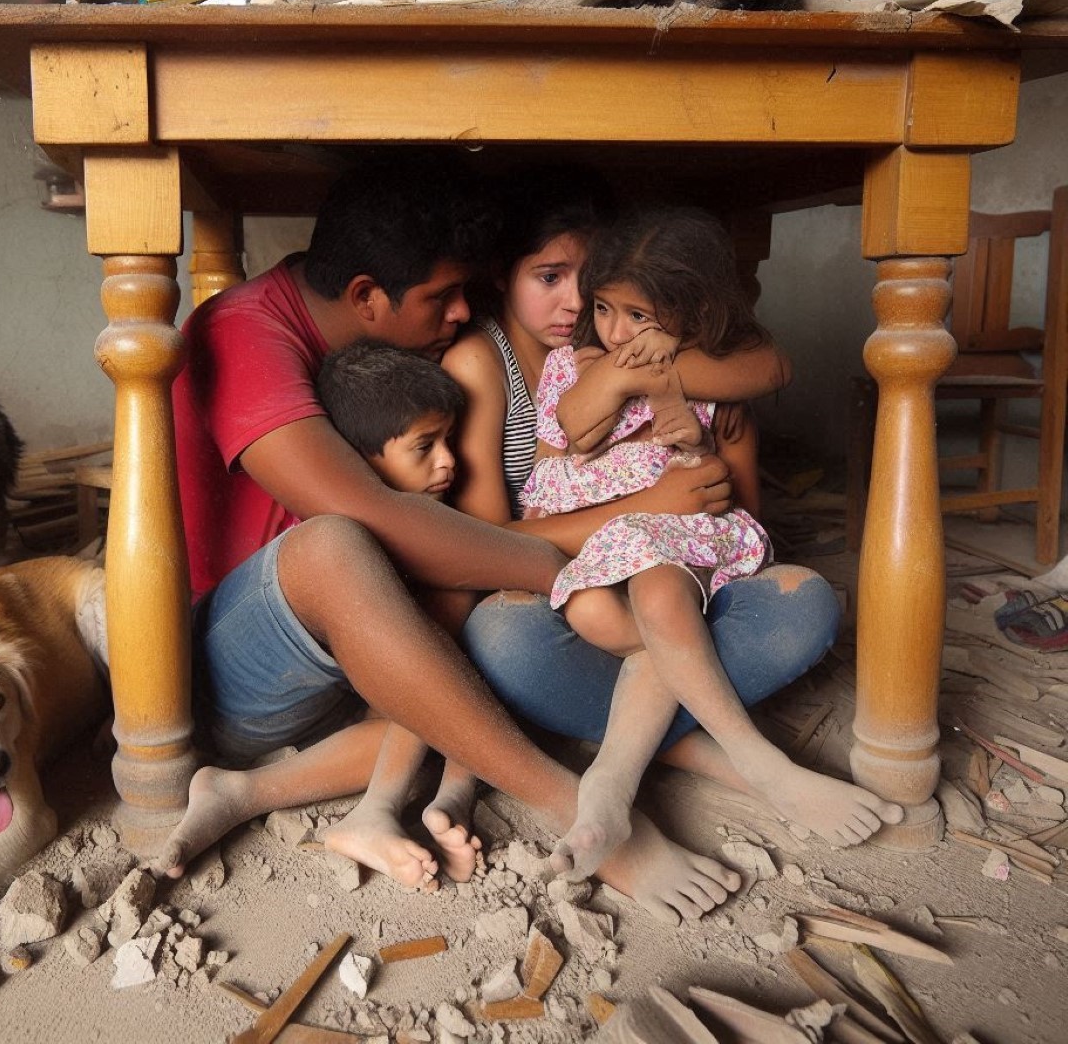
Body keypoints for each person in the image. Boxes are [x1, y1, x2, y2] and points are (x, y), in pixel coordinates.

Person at [159, 153, 747, 924]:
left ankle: (246, 791)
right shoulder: (248, 333)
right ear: (367, 297)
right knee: (346, 543)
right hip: (243, 663)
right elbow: (371, 514)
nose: (464, 312)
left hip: (356, 656)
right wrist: (559, 565)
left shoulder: (356, 319)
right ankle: (582, 812)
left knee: (481, 637)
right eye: (443, 296)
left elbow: (755, 361)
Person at [441, 167, 900, 871]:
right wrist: (630, 382)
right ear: (504, 277)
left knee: (770, 602)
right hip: (580, 563)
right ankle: (739, 758)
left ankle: (614, 778)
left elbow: (746, 506)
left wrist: (683, 418)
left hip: (680, 559)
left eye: (639, 319)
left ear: (690, 319)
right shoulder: (558, 369)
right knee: (553, 627)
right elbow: (561, 440)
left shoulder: (717, 391)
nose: (612, 330)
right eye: (603, 308)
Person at [315, 340, 482, 888]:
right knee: (450, 653)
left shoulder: (433, 511)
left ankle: (452, 799)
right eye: (424, 446)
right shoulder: (348, 535)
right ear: (365, 461)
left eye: (449, 440)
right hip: (362, 694)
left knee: (471, 662)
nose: (449, 461)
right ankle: (384, 806)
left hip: (395, 701)